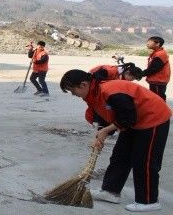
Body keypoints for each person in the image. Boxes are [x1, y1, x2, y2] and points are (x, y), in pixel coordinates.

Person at [60, 69, 171, 212]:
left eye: (72, 90)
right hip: (134, 122)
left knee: (144, 161)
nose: (73, 94)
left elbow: (128, 118)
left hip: (153, 118)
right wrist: (101, 135)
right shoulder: (93, 94)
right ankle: (110, 191)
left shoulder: (110, 91)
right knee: (120, 156)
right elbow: (107, 116)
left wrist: (105, 131)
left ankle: (149, 201)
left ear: (83, 85)